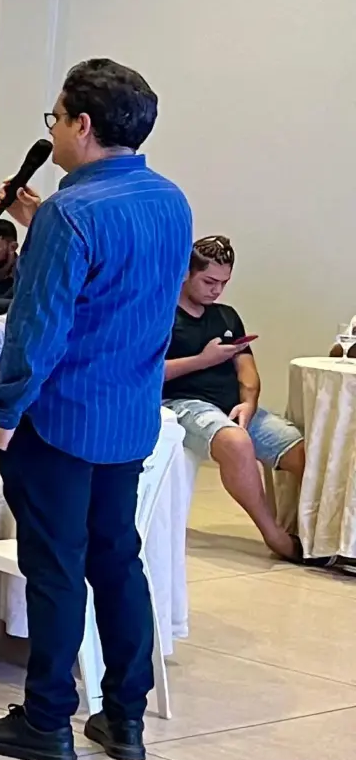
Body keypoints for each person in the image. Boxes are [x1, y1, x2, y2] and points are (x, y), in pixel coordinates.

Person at [0, 57, 192, 760]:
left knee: (56, 566)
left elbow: (41, 328)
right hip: (126, 417)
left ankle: (47, 720)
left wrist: (6, 407)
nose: (53, 131)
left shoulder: (70, 212)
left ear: (82, 125)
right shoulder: (170, 201)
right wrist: (41, 225)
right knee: (117, 561)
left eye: (55, 118)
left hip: (59, 418)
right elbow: (119, 292)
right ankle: (124, 718)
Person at [162, 236, 308, 563]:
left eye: (223, 283)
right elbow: (149, 374)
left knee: (306, 454)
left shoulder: (226, 316)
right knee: (237, 442)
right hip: (183, 403)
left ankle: (323, 533)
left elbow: (248, 371)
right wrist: (203, 359)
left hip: (233, 406)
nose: (216, 290)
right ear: (186, 273)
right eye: (209, 281)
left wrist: (249, 403)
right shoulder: (162, 315)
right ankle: (275, 536)